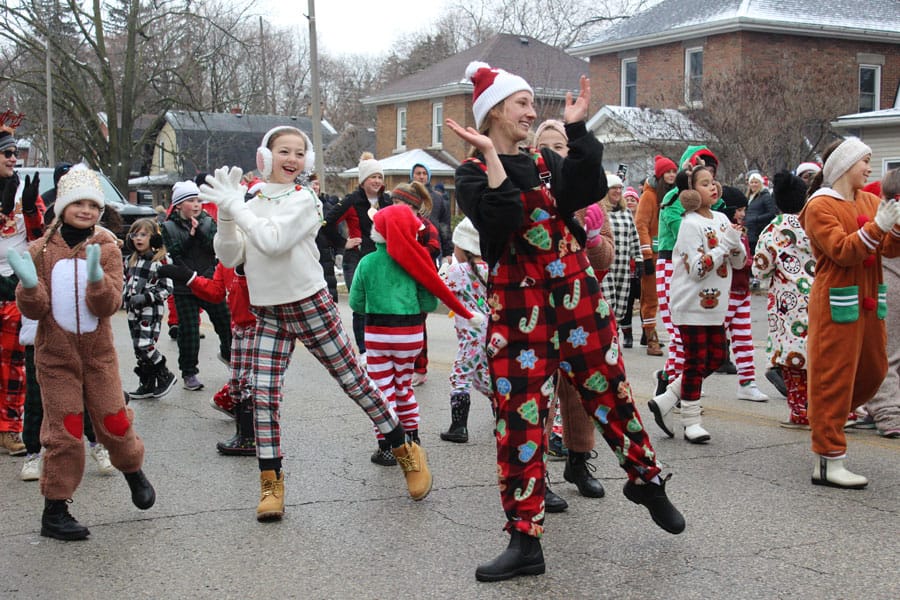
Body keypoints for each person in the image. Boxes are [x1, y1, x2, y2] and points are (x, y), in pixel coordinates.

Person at [448, 61, 684, 582]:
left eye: (533, 102)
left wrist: (578, 130)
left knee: (612, 394)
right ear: (493, 115)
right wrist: (491, 159)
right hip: (517, 312)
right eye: (522, 103)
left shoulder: (549, 163)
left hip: (579, 300)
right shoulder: (469, 174)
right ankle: (524, 541)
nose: (532, 111)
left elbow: (587, 186)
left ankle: (645, 480)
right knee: (520, 424)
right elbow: (503, 218)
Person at [200, 125, 432, 521]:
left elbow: (273, 241)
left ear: (305, 161)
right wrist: (225, 214)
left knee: (354, 381)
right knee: (262, 394)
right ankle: (270, 481)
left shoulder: (305, 199)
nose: (290, 159)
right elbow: (230, 257)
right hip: (268, 310)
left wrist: (236, 208)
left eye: (297, 152)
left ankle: (404, 447)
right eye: (282, 151)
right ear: (265, 155)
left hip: (310, 303)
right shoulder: (251, 199)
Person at [8, 165, 155, 540]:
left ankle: (133, 471)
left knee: (114, 421)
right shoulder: (40, 250)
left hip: (97, 357)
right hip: (56, 359)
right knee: (65, 431)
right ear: (62, 206)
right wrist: (27, 286)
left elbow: (109, 305)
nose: (86, 210)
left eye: (93, 204)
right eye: (79, 203)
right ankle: (55, 511)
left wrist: (96, 279)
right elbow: (36, 309)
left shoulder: (108, 249)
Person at [799, 138, 900, 488]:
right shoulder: (819, 206)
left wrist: (895, 225)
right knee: (833, 378)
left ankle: (830, 416)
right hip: (836, 300)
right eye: (865, 161)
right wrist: (878, 227)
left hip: (870, 299)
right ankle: (827, 459)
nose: (870, 169)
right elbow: (842, 250)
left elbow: (887, 247)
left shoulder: (870, 200)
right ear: (845, 164)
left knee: (874, 371)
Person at [352, 203, 480, 465]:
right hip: (410, 335)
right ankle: (412, 437)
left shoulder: (367, 262)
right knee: (404, 387)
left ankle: (387, 446)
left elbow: (355, 302)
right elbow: (430, 303)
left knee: (382, 391)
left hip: (377, 333)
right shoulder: (416, 259)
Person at [534, 118, 613, 507]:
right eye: (545, 146)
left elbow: (606, 259)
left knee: (582, 391)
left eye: (561, 146)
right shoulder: (527, 191)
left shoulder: (588, 196)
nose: (553, 153)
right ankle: (538, 475)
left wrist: (593, 236)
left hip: (581, 309)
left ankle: (579, 462)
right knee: (540, 395)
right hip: (539, 311)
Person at [648, 167, 746, 443]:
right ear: (690, 192)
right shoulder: (689, 224)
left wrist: (735, 245)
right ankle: (691, 420)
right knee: (695, 360)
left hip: (715, 305)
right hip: (690, 303)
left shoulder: (723, 218)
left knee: (715, 357)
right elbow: (697, 269)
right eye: (704, 183)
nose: (713, 187)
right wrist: (725, 245)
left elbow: (738, 262)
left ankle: (668, 397)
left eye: (714, 181)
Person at [160, 257, 258, 455]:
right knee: (239, 382)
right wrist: (189, 278)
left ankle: (251, 438)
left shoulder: (257, 256)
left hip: (260, 325)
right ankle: (245, 433)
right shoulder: (225, 262)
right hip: (239, 326)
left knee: (250, 382)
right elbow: (215, 292)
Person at [753, 171, 816, 428]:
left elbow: (760, 268)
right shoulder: (815, 221)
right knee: (818, 355)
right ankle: (827, 407)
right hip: (817, 296)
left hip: (786, 304)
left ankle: (800, 411)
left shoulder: (775, 228)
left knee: (792, 359)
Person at [160, 180, 232, 391]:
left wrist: (199, 231)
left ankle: (229, 355)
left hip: (210, 281)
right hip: (185, 286)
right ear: (180, 205)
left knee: (226, 323)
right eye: (191, 200)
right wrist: (190, 237)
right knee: (189, 331)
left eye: (199, 200)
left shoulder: (209, 221)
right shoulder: (168, 226)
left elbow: (213, 248)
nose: (197, 204)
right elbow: (176, 252)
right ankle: (189, 372)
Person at [0, 122, 45, 456]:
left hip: (13, 288)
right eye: (7, 153)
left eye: (15, 153)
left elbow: (40, 239)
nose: (13, 159)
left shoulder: (23, 191)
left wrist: (29, 209)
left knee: (14, 364)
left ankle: (11, 428)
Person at [324, 153, 391, 362]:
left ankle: (380, 345)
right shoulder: (352, 201)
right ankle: (363, 350)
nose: (377, 181)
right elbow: (327, 223)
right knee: (361, 304)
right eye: (373, 177)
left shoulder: (386, 201)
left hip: (382, 259)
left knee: (381, 303)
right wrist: (343, 242)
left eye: (380, 177)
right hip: (358, 259)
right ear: (363, 181)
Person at [439, 217, 491, 443]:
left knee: (460, 376)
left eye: (455, 246)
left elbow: (439, 287)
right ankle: (503, 416)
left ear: (465, 246)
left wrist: (444, 266)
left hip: (470, 337)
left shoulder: (458, 270)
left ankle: (458, 428)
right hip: (490, 335)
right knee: (483, 378)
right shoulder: (490, 267)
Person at [719, 187, 770, 401]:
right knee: (712, 340)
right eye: (739, 209)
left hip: (742, 291)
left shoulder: (742, 230)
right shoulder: (725, 231)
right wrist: (752, 264)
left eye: (744, 209)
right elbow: (734, 261)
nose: (742, 214)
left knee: (744, 339)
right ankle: (684, 381)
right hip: (727, 291)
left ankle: (747, 382)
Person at [860, 169, 900, 438]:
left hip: (889, 281)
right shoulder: (884, 218)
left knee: (887, 352)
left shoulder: (882, 216)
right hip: (889, 281)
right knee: (889, 352)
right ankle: (888, 413)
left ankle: (881, 410)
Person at [392, 180, 442, 388]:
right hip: (398, 282)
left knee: (417, 326)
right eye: (392, 201)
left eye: (398, 202)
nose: (394, 206)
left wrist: (412, 252)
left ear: (411, 205)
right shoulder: (393, 223)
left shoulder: (425, 227)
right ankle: (402, 366)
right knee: (399, 326)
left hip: (421, 284)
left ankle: (420, 369)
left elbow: (434, 248)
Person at [123, 218, 176, 399]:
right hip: (133, 312)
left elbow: (167, 287)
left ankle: (165, 374)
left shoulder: (160, 261)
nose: (138, 238)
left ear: (154, 238)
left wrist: (147, 297)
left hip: (150, 310)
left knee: (145, 345)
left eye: (144, 234)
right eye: (135, 234)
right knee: (138, 349)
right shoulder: (131, 260)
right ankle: (147, 383)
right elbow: (126, 282)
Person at [635, 155, 677, 356]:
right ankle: (651, 337)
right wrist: (646, 255)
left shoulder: (673, 195)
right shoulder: (649, 195)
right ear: (660, 175)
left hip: (669, 253)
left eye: (673, 171)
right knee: (651, 298)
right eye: (667, 172)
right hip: (652, 254)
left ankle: (650, 332)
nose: (671, 175)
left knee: (668, 298)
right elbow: (641, 224)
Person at [599, 174, 641, 348]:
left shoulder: (625, 214)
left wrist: (638, 259)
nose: (617, 191)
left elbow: (633, 237)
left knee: (622, 307)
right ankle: (608, 341)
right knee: (608, 304)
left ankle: (614, 339)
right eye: (613, 188)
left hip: (624, 267)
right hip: (606, 266)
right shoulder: (601, 211)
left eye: (620, 188)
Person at [309, 174, 342, 302]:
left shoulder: (328, 207)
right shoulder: (298, 207)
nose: (315, 187)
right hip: (307, 256)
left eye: (317, 184)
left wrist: (339, 252)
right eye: (312, 184)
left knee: (328, 297)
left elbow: (337, 232)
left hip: (325, 257)